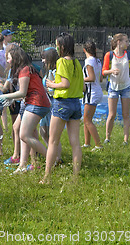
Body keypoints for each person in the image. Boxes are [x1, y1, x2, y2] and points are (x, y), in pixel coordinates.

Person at [0, 46, 50, 173]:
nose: (8, 61)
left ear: (15, 58)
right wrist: (12, 99)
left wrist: (5, 95)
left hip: (37, 104)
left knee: (24, 134)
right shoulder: (24, 69)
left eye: (9, 58)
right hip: (32, 103)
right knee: (22, 132)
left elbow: (22, 92)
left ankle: (51, 158)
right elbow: (25, 94)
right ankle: (22, 165)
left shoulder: (25, 70)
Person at [41, 33, 83, 184]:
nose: (57, 47)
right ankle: (76, 177)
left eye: (57, 45)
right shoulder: (77, 63)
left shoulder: (61, 62)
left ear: (62, 47)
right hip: (76, 104)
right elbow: (83, 86)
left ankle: (47, 177)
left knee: (53, 141)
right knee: (75, 142)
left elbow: (65, 84)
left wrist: (51, 85)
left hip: (62, 104)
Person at [102, 33, 130, 145]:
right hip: (113, 88)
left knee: (126, 114)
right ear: (119, 42)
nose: (128, 43)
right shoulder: (109, 55)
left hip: (126, 87)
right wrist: (111, 71)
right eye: (126, 41)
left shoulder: (128, 54)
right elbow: (104, 71)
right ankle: (107, 138)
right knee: (111, 114)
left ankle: (125, 140)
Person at [38, 47, 62, 164]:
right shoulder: (48, 71)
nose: (42, 61)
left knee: (53, 133)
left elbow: (56, 87)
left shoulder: (56, 71)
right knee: (43, 132)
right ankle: (52, 154)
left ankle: (57, 157)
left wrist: (48, 88)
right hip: (46, 103)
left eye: (44, 58)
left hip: (53, 103)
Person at [82, 41, 103, 151]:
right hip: (97, 90)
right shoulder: (97, 61)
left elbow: (92, 78)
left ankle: (99, 145)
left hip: (91, 92)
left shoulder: (88, 61)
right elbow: (100, 78)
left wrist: (79, 80)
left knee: (87, 120)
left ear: (84, 50)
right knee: (86, 119)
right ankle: (87, 143)